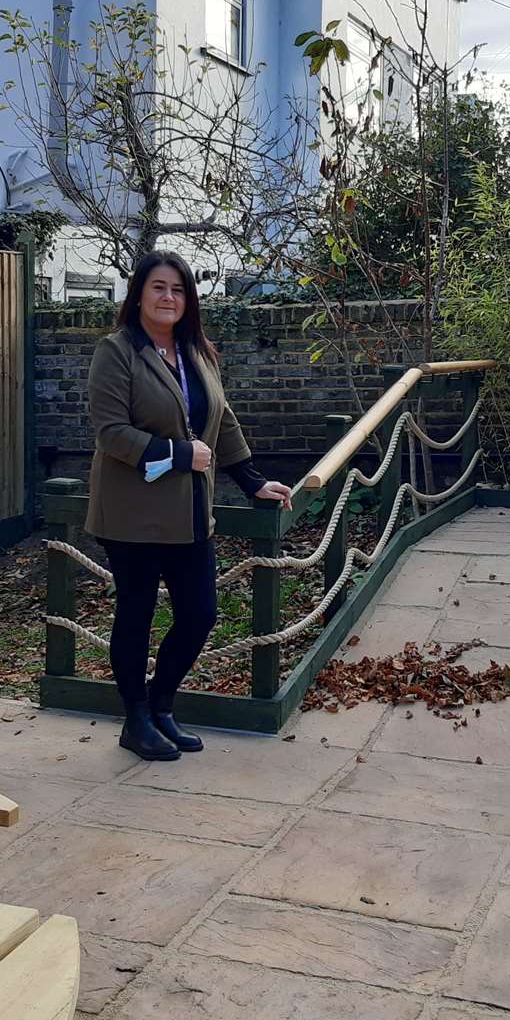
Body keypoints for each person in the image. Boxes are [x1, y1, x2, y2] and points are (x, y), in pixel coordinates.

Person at [86, 251, 293, 761]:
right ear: (138, 294)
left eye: (178, 290)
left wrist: (252, 481)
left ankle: (161, 706)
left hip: (190, 512)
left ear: (188, 299)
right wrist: (178, 452)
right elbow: (110, 431)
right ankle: (135, 719)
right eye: (158, 287)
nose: (168, 298)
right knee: (135, 615)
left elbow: (222, 422)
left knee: (200, 613)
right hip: (131, 510)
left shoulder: (197, 352)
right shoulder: (116, 352)